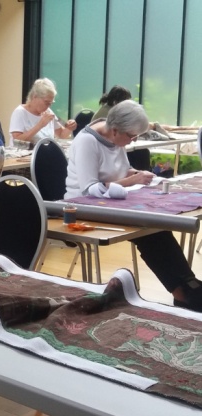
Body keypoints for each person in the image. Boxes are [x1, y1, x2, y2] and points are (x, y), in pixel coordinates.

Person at [64, 100, 202, 312]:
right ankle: (183, 291)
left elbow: (122, 170)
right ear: (116, 130)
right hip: (82, 206)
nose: (132, 141)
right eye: (131, 136)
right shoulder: (86, 142)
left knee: (155, 225)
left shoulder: (116, 137)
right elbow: (89, 189)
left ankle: (186, 286)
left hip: (112, 201)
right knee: (148, 228)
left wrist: (139, 174)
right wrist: (132, 180)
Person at [9, 78, 77, 148]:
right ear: (35, 97)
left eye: (51, 103)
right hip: (23, 156)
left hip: (45, 153)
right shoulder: (20, 112)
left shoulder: (48, 111)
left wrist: (69, 128)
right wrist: (40, 125)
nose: (49, 105)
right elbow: (16, 140)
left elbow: (61, 134)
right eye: (46, 102)